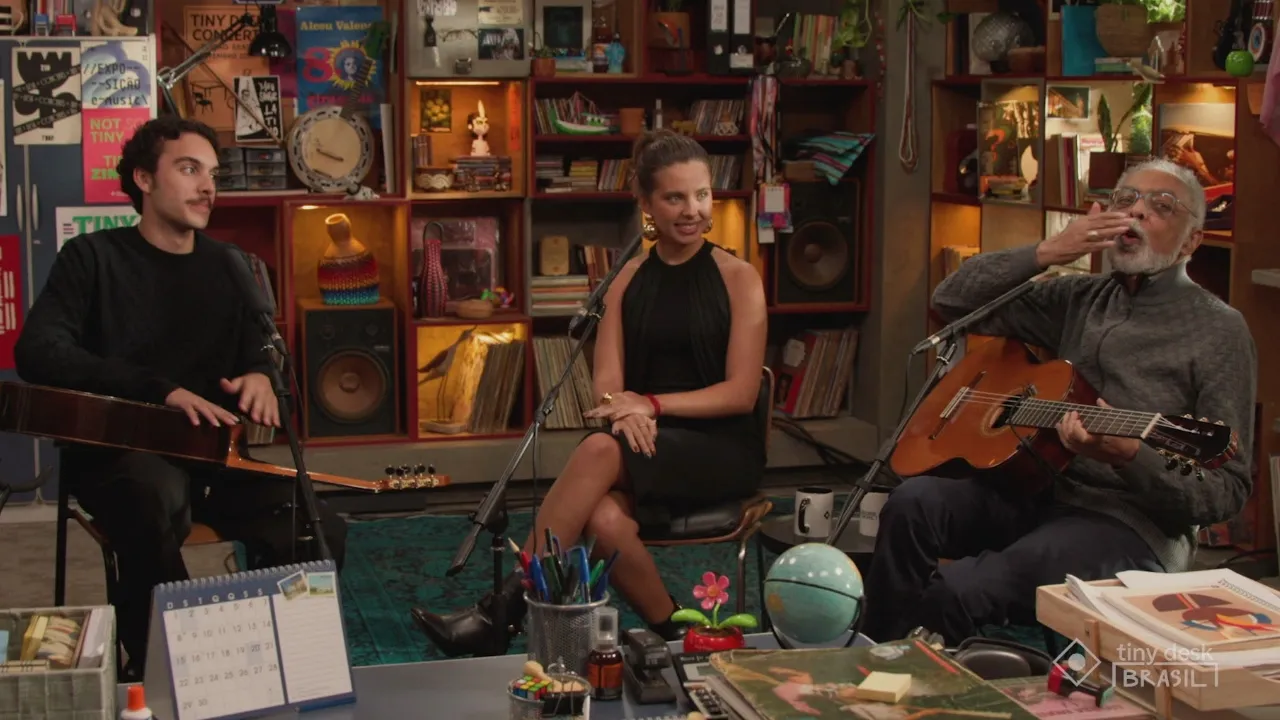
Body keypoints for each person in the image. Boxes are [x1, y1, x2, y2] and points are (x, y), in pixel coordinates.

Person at [861, 158, 1256, 645]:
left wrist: (1131, 457)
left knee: (960, 590)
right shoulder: (1079, 297)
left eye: (1161, 206)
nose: (1136, 212)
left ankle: (933, 673)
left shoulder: (1220, 330)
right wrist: (1049, 250)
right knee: (911, 504)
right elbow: (952, 301)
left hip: (1127, 523)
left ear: (1192, 241)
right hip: (1034, 488)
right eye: (1125, 199)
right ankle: (873, 659)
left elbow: (1226, 490)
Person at [13, 116, 349, 678]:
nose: (207, 187)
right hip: (120, 459)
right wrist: (159, 390)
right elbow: (39, 352)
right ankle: (173, 671)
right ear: (143, 179)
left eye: (212, 174)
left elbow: (259, 355)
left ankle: (287, 666)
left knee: (318, 525)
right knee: (151, 499)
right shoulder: (91, 258)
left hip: (212, 460)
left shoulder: (230, 266)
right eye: (189, 169)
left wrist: (261, 375)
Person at [412, 130, 769, 656]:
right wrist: (624, 413)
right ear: (645, 202)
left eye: (701, 194)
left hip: (719, 446)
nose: (692, 210)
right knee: (601, 519)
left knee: (599, 449)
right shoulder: (625, 279)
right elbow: (607, 384)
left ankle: (501, 611)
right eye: (674, 197)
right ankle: (674, 630)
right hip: (643, 440)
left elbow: (741, 394)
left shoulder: (739, 278)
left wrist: (649, 404)